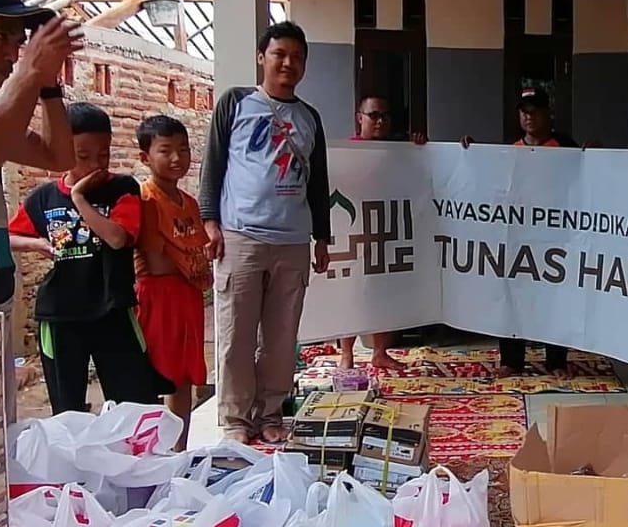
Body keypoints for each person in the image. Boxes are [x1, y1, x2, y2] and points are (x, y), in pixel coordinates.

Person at [199, 22, 331, 444]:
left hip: (292, 242)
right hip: (241, 237)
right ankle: (236, 419)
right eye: (280, 54)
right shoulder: (236, 103)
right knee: (236, 334)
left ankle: (271, 413)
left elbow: (318, 182)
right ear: (262, 58)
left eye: (297, 57)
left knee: (281, 338)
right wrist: (210, 221)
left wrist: (322, 237)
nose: (288, 63)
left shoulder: (309, 118)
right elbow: (213, 164)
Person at [8, 103, 162, 413]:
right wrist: (36, 243)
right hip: (60, 314)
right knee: (67, 408)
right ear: (63, 151)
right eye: (83, 156)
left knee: (135, 403)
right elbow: (8, 236)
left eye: (103, 154)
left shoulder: (122, 188)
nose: (95, 164)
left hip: (112, 308)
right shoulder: (43, 198)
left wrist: (78, 198)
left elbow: (117, 238)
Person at [0, 0, 82, 424]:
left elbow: (59, 156)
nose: (12, 52)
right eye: (0, 36)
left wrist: (48, 87)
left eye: (18, 40)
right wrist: (29, 73)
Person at [135, 115, 211, 449]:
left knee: (184, 377)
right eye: (165, 150)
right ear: (145, 157)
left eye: (183, 149)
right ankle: (153, 451)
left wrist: (193, 264)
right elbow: (157, 261)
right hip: (159, 296)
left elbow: (196, 250)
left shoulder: (189, 202)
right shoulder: (145, 199)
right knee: (157, 376)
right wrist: (192, 263)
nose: (177, 158)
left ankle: (179, 449)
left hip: (188, 295)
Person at [339, 92, 427, 372]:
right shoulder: (345, 152)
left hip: (388, 231)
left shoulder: (398, 151)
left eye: (385, 116)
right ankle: (346, 354)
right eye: (373, 115)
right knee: (351, 295)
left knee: (386, 294)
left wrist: (418, 148)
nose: (379, 121)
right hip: (354, 232)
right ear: (359, 118)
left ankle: (380, 352)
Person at [500, 87, 576, 374]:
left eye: (534, 112)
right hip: (518, 236)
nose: (529, 117)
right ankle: (511, 361)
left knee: (555, 299)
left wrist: (595, 154)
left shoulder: (565, 147)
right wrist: (467, 153)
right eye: (524, 112)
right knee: (513, 299)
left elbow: (585, 177)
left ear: (547, 114)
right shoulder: (509, 149)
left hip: (554, 236)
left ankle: (556, 361)